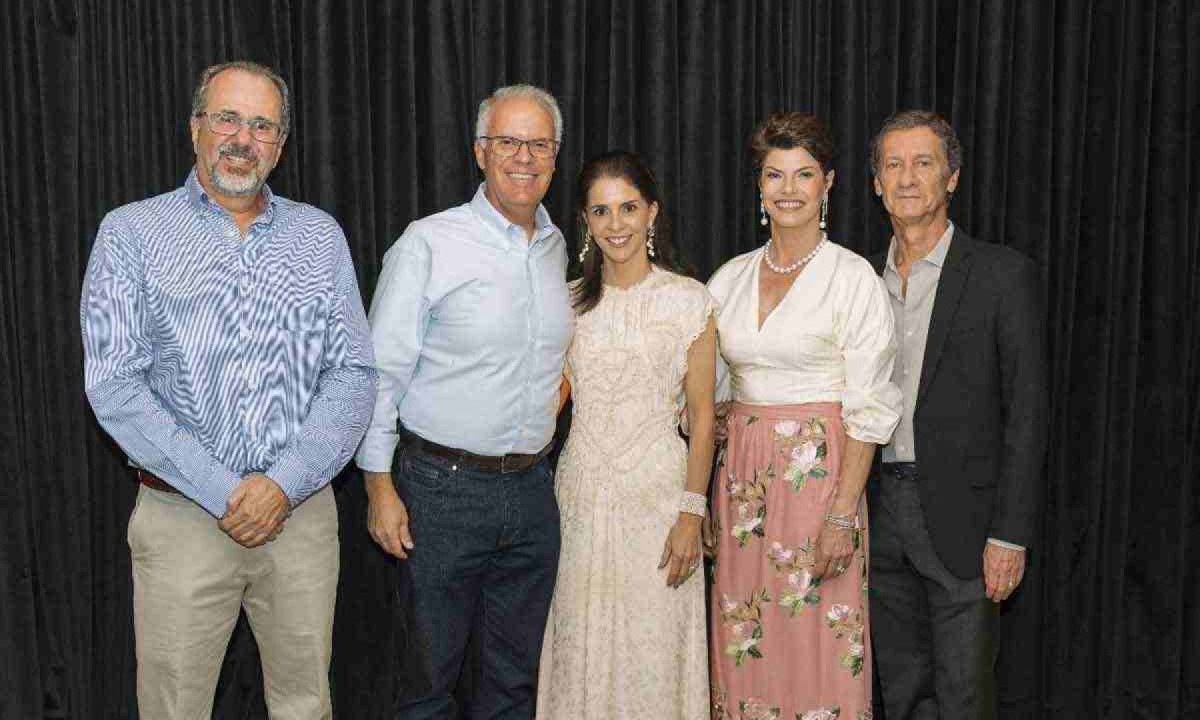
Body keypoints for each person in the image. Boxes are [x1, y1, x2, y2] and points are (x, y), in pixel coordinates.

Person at [80, 61, 376, 719]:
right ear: (196, 129)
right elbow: (115, 384)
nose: (243, 138)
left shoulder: (320, 238)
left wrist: (282, 484)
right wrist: (225, 492)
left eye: (262, 124)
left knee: (305, 704)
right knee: (173, 707)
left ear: (281, 143)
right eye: (228, 119)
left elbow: (354, 375)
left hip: (299, 517)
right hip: (182, 518)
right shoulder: (130, 234)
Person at [354, 84, 574, 719]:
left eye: (539, 144)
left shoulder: (559, 249)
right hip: (440, 490)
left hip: (533, 491)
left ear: (555, 157)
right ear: (481, 151)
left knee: (513, 684)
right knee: (428, 681)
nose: (524, 157)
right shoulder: (429, 243)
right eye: (509, 141)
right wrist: (378, 488)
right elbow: (380, 371)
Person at [706, 112, 902, 720]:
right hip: (741, 492)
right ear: (759, 188)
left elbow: (870, 409)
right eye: (774, 175)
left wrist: (843, 514)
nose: (788, 188)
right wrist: (697, 496)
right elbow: (706, 400)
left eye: (804, 174)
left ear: (829, 184)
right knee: (747, 640)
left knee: (820, 642)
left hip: (820, 488)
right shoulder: (729, 279)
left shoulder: (852, 278)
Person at [865, 110, 1048, 720]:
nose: (907, 177)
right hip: (878, 511)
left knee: (965, 694)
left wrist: (1010, 534)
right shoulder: (860, 282)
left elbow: (1026, 412)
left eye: (923, 163)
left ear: (952, 178)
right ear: (875, 184)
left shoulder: (1001, 275)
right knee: (901, 687)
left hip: (967, 521)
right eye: (893, 165)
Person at [536, 151, 717, 719]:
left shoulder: (690, 301)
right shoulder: (564, 303)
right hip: (582, 497)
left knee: (655, 644)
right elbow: (547, 406)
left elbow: (705, 416)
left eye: (628, 208)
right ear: (585, 221)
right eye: (601, 210)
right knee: (580, 638)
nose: (616, 224)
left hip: (661, 499)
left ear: (652, 213)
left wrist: (692, 512)